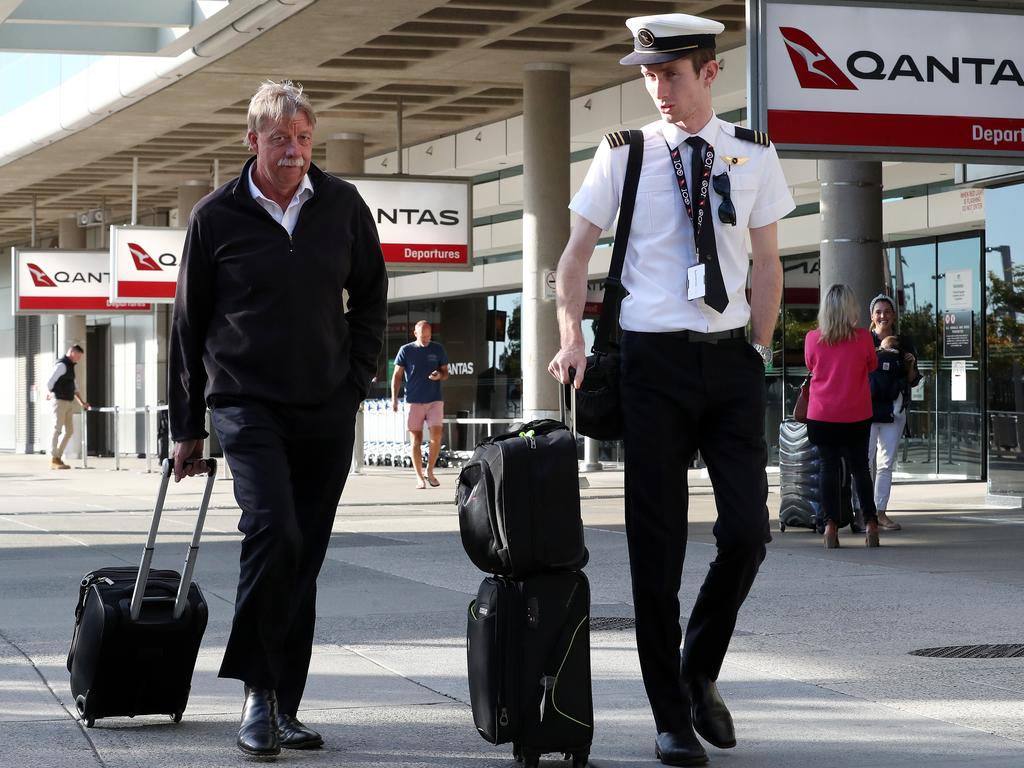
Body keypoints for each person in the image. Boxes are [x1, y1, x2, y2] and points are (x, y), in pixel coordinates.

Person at [547, 13, 795, 767]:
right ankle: (669, 716)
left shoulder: (751, 153)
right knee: (655, 551)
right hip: (650, 367)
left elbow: (767, 263)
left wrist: (756, 346)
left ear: (710, 72)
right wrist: (570, 335)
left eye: (672, 73)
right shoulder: (623, 155)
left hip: (728, 367)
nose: (657, 87)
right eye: (648, 73)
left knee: (748, 535)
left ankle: (697, 670)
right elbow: (573, 257)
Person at [168, 80, 387, 758]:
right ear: (252, 139)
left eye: (302, 140)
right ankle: (257, 696)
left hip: (325, 405)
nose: (292, 153)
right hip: (245, 401)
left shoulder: (344, 205)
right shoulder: (216, 216)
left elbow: (372, 296)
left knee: (304, 555)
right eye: (278, 140)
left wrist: (355, 380)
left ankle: (285, 706)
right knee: (273, 530)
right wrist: (186, 427)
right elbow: (186, 326)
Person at [804, 284, 881, 550]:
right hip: (857, 414)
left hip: (822, 414)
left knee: (828, 468)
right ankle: (870, 523)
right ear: (851, 308)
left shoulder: (813, 338)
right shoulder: (863, 338)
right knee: (860, 468)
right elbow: (872, 365)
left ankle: (830, 526)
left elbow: (811, 365)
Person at [866, 294, 920, 531]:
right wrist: (881, 349)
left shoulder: (904, 342)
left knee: (885, 463)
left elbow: (912, 380)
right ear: (872, 316)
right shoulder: (863, 341)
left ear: (894, 315)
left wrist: (910, 364)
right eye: (878, 312)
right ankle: (864, 512)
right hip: (865, 410)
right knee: (864, 462)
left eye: (887, 311)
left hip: (894, 410)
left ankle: (880, 512)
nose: (883, 316)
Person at [391, 320, 449, 489]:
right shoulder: (406, 350)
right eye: (423, 336)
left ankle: (429, 471)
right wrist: (394, 398)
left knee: (436, 437)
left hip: (434, 400)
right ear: (415, 333)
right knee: (416, 440)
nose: (425, 339)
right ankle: (419, 477)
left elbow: (446, 373)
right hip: (413, 401)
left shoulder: (438, 349)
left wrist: (440, 375)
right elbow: (397, 375)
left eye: (428, 336)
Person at [46, 344, 89, 469]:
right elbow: (49, 382)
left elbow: (75, 388)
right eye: (78, 356)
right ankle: (54, 458)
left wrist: (82, 403)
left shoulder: (70, 367)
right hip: (59, 401)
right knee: (57, 429)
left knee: (70, 431)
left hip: (69, 401)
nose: (79, 359)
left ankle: (58, 457)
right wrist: (50, 393)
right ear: (72, 353)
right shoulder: (62, 365)